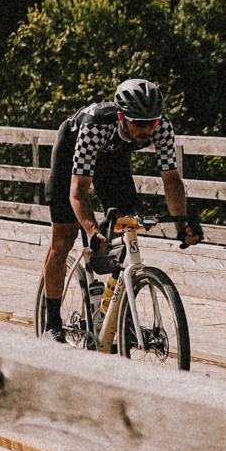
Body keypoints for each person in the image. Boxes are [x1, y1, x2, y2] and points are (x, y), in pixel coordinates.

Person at [39, 78, 202, 339]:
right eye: (139, 123)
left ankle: (114, 308)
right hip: (72, 152)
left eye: (153, 122)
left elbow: (171, 180)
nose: (147, 130)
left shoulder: (162, 128)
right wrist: (91, 229)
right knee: (64, 239)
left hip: (112, 158)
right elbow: (78, 191)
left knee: (125, 218)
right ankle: (52, 322)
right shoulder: (96, 126)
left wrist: (182, 226)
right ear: (121, 117)